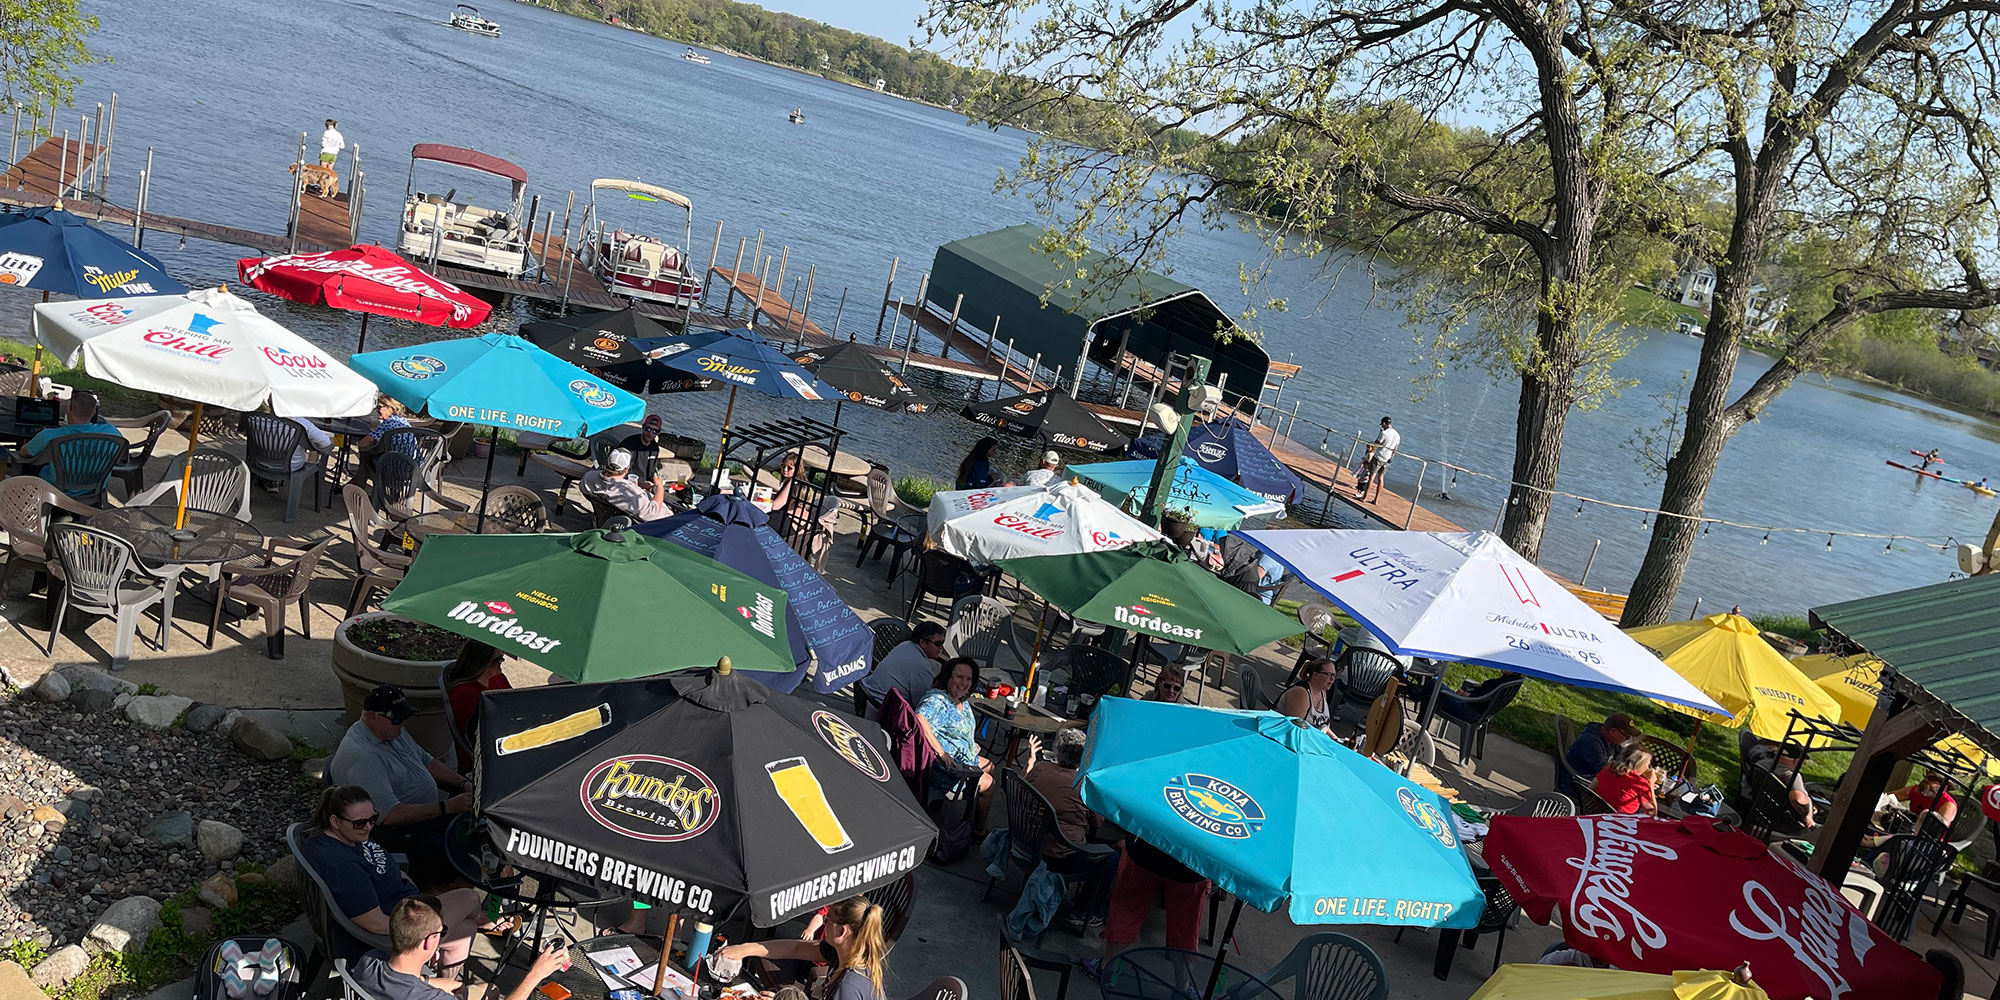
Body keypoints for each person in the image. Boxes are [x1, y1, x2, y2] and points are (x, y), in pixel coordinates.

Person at [300, 786, 484, 977]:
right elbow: (374, 924)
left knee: (465, 929)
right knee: (470, 898)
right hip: (396, 928)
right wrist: (426, 933)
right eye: (360, 823)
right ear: (335, 821)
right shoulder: (343, 867)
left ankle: (442, 990)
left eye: (372, 819)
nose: (368, 827)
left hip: (405, 904)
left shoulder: (342, 838)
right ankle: (437, 968)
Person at [328, 684, 475, 887]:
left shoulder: (390, 731)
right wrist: (447, 807)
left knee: (475, 831)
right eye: (397, 719)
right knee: (461, 849)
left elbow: (427, 761)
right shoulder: (363, 757)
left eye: (403, 717)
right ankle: (447, 896)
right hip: (399, 832)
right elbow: (389, 816)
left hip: (426, 817)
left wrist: (463, 783)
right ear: (371, 716)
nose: (403, 724)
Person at [350, 896, 568, 1000]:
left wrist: (431, 982)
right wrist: (535, 974)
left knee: (489, 990)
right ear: (428, 942)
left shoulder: (369, 962)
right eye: (442, 931)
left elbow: (403, 982)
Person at [1082, 833, 1210, 983]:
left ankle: (1106, 969)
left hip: (1148, 849)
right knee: (1185, 931)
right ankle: (1182, 988)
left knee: (1126, 911)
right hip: (1192, 862)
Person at [1023, 730, 1117, 930]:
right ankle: (1084, 911)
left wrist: (1031, 761)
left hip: (1029, 844)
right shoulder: (1083, 786)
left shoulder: (1040, 769)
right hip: (1061, 858)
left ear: (1057, 751)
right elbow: (1097, 823)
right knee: (1111, 858)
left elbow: (1024, 785)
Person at [718, 897, 890, 1000]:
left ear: (842, 931)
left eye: (827, 920)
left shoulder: (847, 988)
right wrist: (745, 948)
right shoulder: (849, 953)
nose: (823, 923)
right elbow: (797, 948)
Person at [916, 657, 994, 828]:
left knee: (990, 765)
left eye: (968, 679)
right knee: (989, 785)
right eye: (960, 677)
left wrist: (971, 744)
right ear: (948, 676)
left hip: (962, 757)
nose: (964, 683)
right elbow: (920, 718)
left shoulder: (962, 700)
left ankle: (946, 807)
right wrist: (942, 753)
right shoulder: (938, 700)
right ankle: (978, 832)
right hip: (946, 769)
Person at [4, 391, 112, 495]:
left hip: (56, 488)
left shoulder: (49, 435)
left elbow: (24, 453)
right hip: (94, 488)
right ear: (93, 412)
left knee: (29, 465)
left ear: (68, 410)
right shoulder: (111, 432)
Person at [444, 640, 510, 773]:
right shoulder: (463, 693)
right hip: (489, 752)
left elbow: (512, 701)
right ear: (482, 661)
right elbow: (474, 736)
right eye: (498, 658)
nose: (503, 660)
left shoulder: (497, 678)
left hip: (506, 734)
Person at [860, 622, 945, 712]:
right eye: (938, 643)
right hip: (881, 708)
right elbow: (922, 703)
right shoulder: (920, 666)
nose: (941, 647)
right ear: (923, 643)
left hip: (868, 693)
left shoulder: (906, 645)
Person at [1558, 712, 1640, 797]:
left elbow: (1621, 758)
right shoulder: (1591, 743)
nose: (1627, 739)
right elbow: (1606, 772)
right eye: (1626, 736)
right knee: (1626, 798)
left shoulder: (1611, 741)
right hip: (1576, 784)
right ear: (1613, 731)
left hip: (1590, 780)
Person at [581, 448, 672, 522]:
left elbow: (584, 491)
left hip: (610, 517)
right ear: (627, 469)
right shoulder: (630, 496)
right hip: (659, 522)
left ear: (607, 463)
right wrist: (659, 486)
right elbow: (652, 513)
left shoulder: (589, 477)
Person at [357, 396, 419, 479]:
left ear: (391, 408)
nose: (376, 410)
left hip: (393, 469)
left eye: (379, 407)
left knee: (366, 456)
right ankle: (356, 485)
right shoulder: (404, 422)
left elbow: (363, 444)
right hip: (413, 470)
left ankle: (356, 486)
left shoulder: (388, 424)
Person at [1593, 743, 1659, 816]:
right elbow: (1652, 813)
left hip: (1596, 813)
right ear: (1640, 764)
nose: (1647, 767)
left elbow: (1592, 788)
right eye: (1648, 764)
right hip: (1620, 821)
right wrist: (1651, 784)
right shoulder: (1639, 783)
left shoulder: (1608, 769)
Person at [1278, 657, 1336, 735]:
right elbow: (1293, 729)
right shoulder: (1300, 694)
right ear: (1315, 675)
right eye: (1328, 674)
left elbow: (1323, 726)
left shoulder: (1322, 692)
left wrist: (1336, 739)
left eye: (1334, 675)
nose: (1332, 679)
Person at [616, 413, 667, 483]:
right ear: (643, 427)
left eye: (654, 431)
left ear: (658, 433)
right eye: (648, 429)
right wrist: (640, 484)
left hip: (645, 483)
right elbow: (621, 472)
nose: (650, 433)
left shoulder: (655, 448)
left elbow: (652, 472)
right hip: (627, 482)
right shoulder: (628, 445)